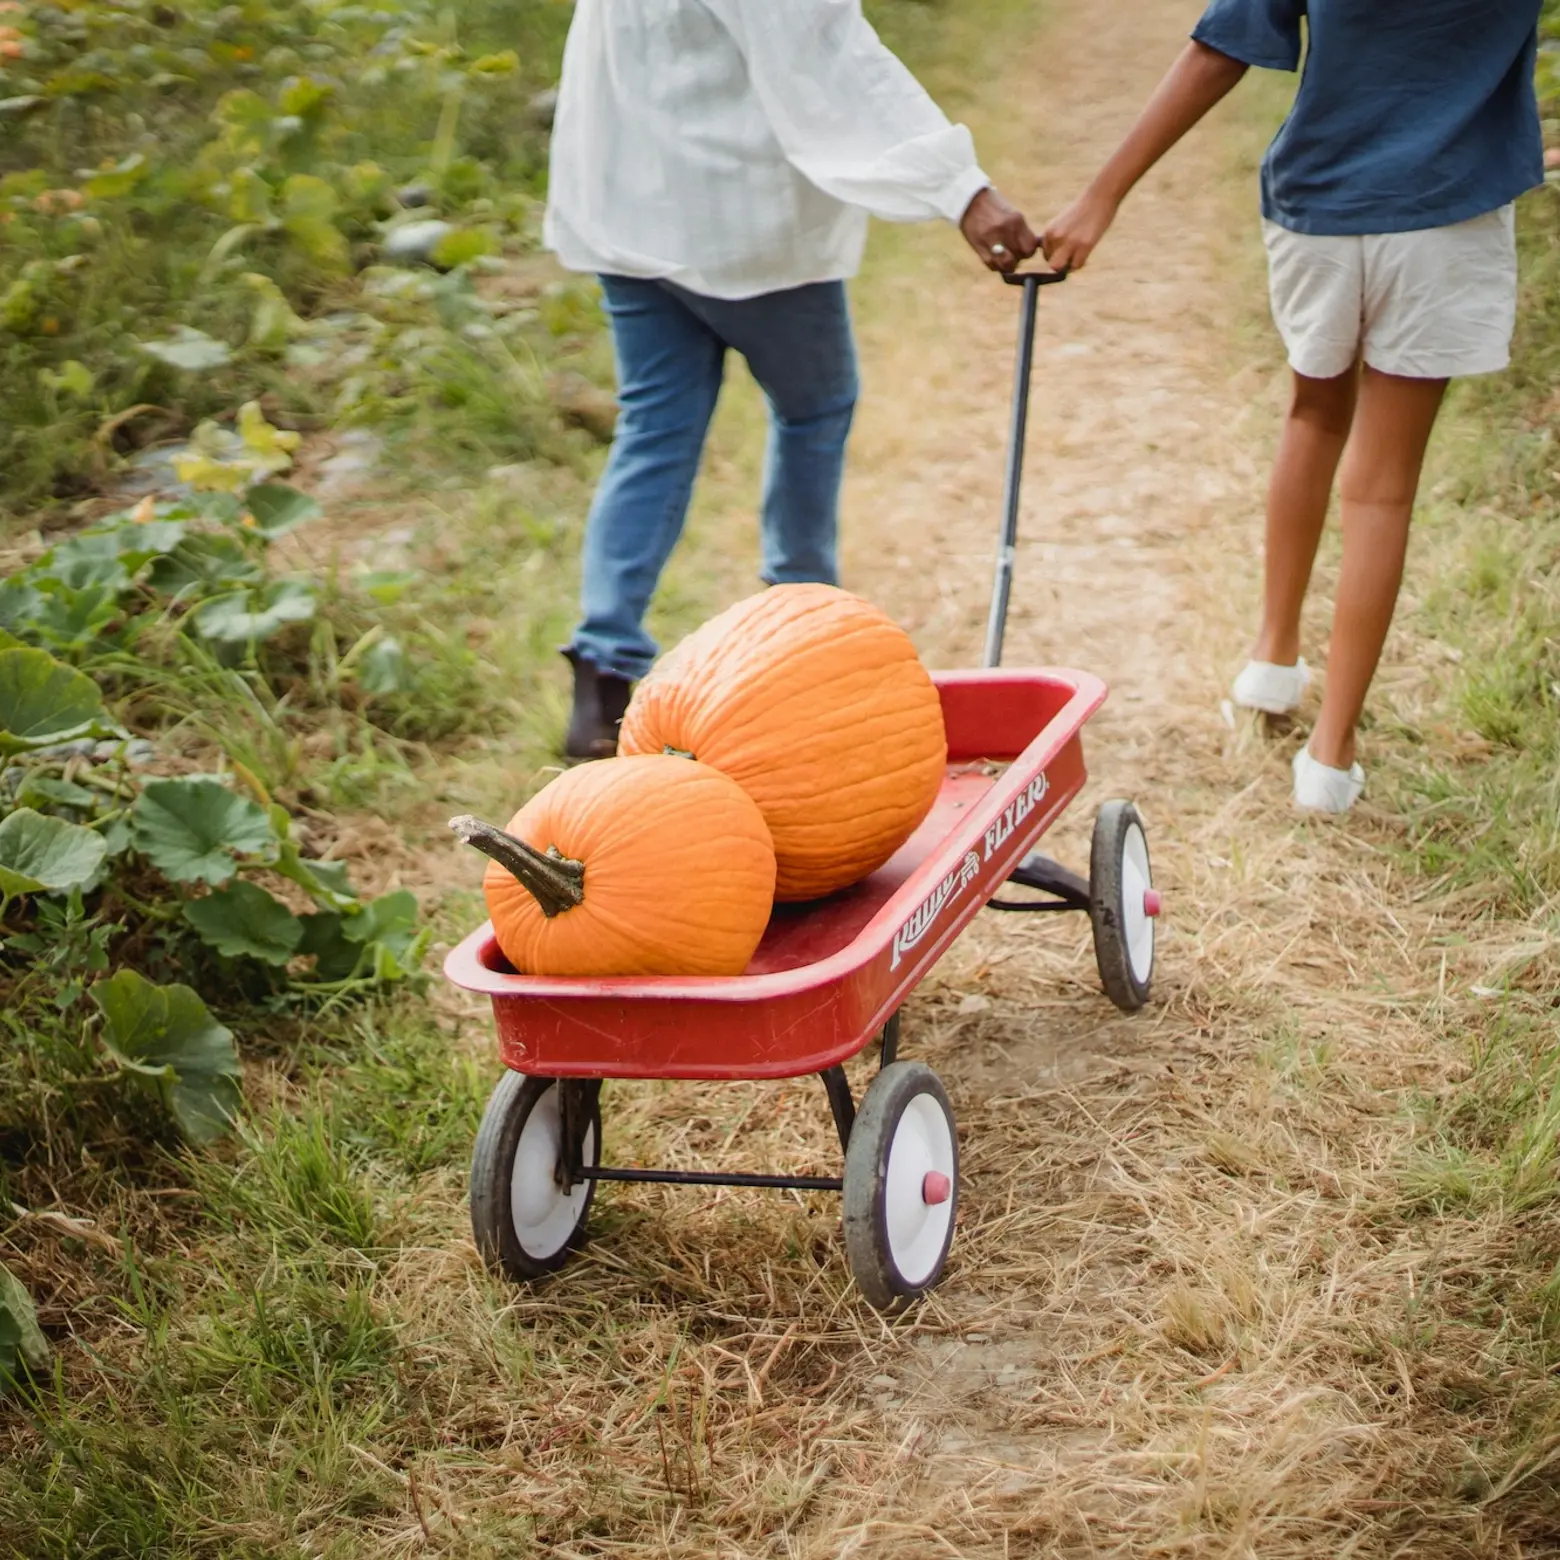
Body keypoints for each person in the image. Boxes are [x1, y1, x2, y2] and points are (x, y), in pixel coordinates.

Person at [1043, 0, 1545, 813]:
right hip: (1448, 214)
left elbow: (1222, 47)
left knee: (1311, 417)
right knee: (1382, 487)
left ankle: (1272, 661)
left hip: (1319, 207)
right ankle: (1330, 755)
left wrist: (1103, 195)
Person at [545, 0, 1039, 759]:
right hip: (735, 220)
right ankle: (800, 641)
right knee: (814, 408)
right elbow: (828, 55)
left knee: (656, 428)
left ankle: (603, 676)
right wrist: (962, 189)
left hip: (628, 206)